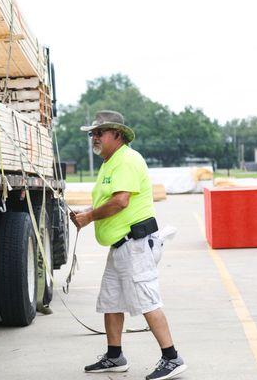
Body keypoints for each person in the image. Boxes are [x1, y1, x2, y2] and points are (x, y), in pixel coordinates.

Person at [71, 110, 187, 380]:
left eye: (99, 132)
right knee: (111, 301)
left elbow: (121, 201)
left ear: (117, 134)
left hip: (134, 245)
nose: (94, 137)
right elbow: (108, 201)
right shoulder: (110, 162)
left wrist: (89, 217)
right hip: (120, 247)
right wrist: (86, 212)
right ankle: (115, 356)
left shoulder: (127, 160)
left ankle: (172, 358)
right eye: (92, 133)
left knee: (148, 301)